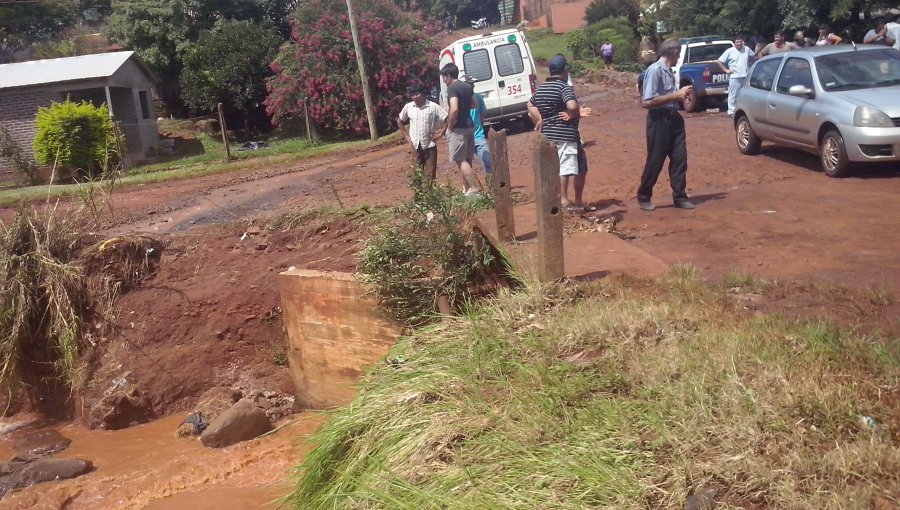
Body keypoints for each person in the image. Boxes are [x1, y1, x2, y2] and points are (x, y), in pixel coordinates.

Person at [636, 38, 694, 212]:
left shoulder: (669, 70)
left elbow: (671, 96)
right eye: (678, 54)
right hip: (658, 120)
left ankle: (680, 196)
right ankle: (644, 195)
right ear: (674, 53)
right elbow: (647, 101)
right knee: (656, 159)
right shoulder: (655, 70)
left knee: (679, 157)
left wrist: (682, 97)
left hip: (673, 117)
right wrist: (676, 95)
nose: (679, 57)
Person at [526, 54, 586, 211]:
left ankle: (566, 200)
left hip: (549, 135)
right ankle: (564, 200)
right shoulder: (563, 87)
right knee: (565, 168)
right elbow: (572, 105)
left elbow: (530, 105)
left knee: (558, 167)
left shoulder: (541, 89)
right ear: (565, 70)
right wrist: (572, 113)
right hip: (565, 134)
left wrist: (540, 119)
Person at [439, 63, 478, 196]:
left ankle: (473, 188)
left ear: (448, 76)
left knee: (460, 159)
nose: (443, 81)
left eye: (444, 78)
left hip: (458, 128)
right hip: (469, 126)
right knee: (467, 159)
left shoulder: (452, 89)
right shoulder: (467, 86)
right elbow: (475, 104)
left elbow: (454, 108)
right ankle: (467, 189)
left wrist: (450, 127)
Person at [396, 83, 448, 180]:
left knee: (430, 174)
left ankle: (431, 194)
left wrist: (441, 133)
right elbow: (400, 121)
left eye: (416, 94)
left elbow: (447, 119)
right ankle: (418, 195)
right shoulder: (409, 107)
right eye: (412, 95)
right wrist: (407, 137)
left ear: (423, 94)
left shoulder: (433, 107)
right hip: (416, 145)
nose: (414, 97)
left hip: (430, 145)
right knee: (416, 173)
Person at [717, 35, 755, 117]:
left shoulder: (747, 49)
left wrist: (750, 66)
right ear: (734, 43)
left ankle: (743, 110)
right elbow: (719, 61)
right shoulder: (729, 51)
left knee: (745, 94)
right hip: (735, 76)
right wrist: (726, 70)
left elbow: (753, 56)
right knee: (733, 94)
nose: (739, 43)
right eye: (737, 42)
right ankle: (731, 111)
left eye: (741, 41)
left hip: (746, 76)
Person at [462, 75, 491, 176]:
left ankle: (491, 184)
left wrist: (478, 125)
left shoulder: (478, 97)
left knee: (487, 161)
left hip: (478, 136)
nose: (473, 85)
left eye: (473, 83)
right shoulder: (457, 99)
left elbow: (482, 114)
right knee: (466, 165)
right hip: (464, 137)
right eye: (470, 84)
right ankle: (469, 188)